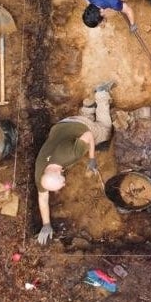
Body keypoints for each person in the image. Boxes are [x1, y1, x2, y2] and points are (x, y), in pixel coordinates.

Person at [35, 82, 115, 245]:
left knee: (105, 131)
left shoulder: (71, 154)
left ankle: (101, 94)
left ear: (57, 173)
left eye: (61, 184)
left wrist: (92, 158)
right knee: (80, 129)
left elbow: (88, 136)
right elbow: (42, 199)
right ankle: (87, 108)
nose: (64, 186)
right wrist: (46, 224)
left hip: (81, 127)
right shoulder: (40, 174)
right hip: (60, 127)